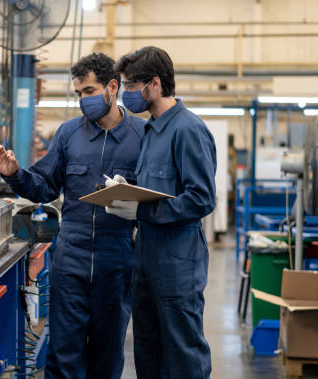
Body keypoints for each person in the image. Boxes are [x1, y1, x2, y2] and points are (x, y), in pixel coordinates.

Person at [0, 52, 144, 379]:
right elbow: (44, 187)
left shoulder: (141, 137)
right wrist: (15, 174)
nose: (82, 100)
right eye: (78, 94)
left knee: (107, 353)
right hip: (71, 255)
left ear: (112, 87)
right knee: (63, 354)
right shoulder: (69, 133)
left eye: (88, 91)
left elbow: (154, 197)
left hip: (116, 258)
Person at [107, 46, 216, 379]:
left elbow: (201, 198)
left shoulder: (188, 130)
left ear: (154, 84)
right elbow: (155, 186)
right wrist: (126, 188)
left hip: (178, 259)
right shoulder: (151, 130)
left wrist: (143, 210)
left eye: (129, 85)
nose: (125, 94)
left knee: (182, 351)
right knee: (148, 349)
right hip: (147, 257)